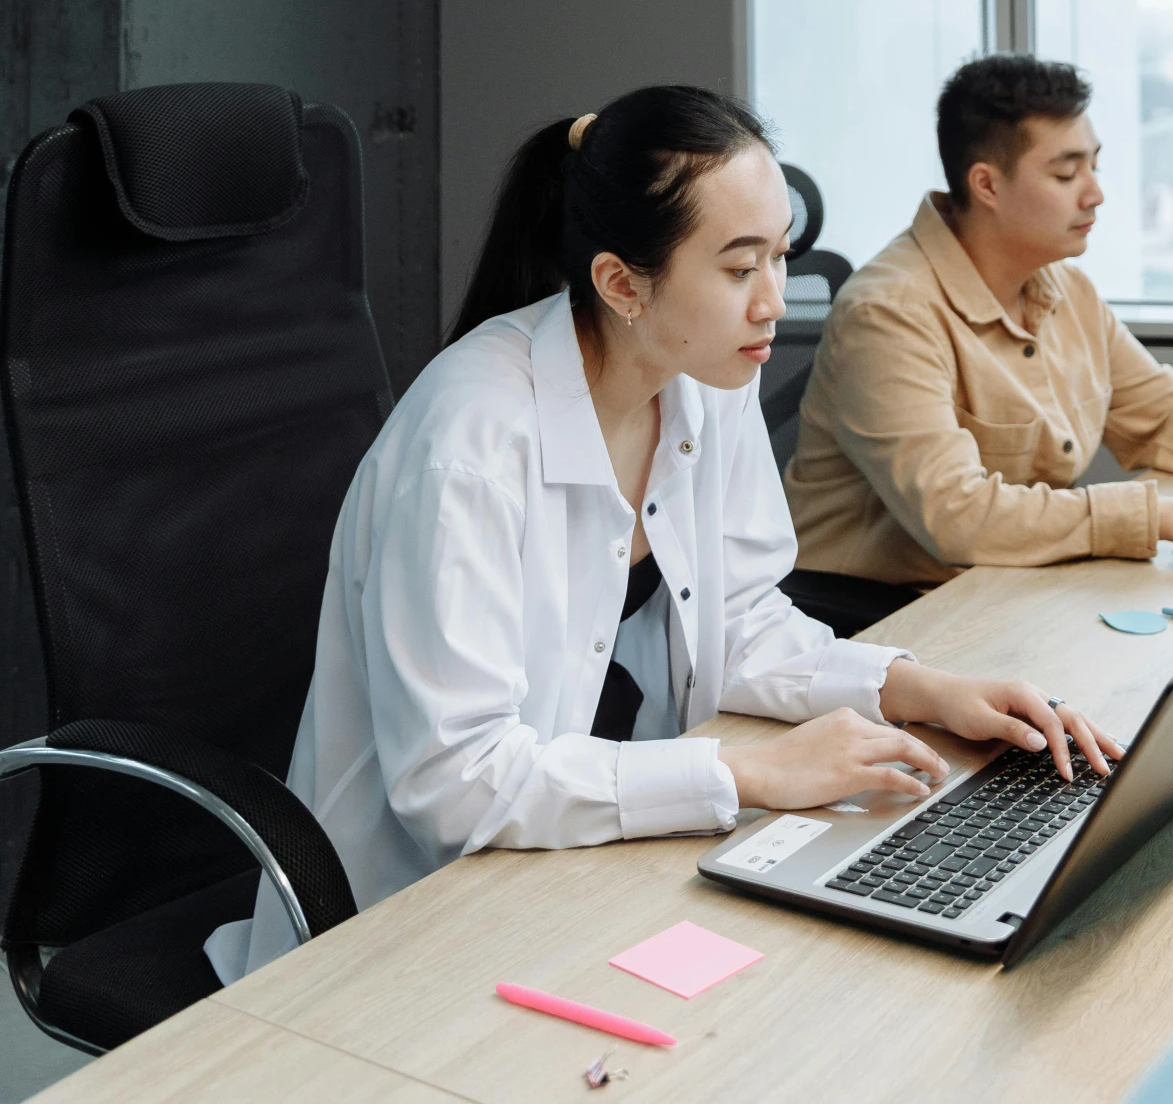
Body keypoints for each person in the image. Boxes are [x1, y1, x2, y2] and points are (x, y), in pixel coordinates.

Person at [208, 83, 1119, 982]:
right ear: (620, 283)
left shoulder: (700, 375)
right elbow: (457, 782)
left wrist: (917, 687)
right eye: (737, 268)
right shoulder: (471, 442)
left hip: (588, 865)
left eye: (780, 257)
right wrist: (747, 772)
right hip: (418, 921)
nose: (775, 300)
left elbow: (741, 622)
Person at [785, 55, 1173, 596]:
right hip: (879, 617)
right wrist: (1169, 519)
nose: (1096, 194)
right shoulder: (888, 314)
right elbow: (958, 515)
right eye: (1066, 173)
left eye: (1095, 166)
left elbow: (1164, 414)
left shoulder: (1064, 287)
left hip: (1007, 589)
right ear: (987, 184)